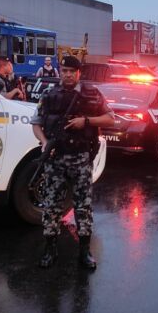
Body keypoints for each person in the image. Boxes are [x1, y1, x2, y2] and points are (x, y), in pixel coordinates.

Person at [31, 55, 115, 270]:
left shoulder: (92, 94)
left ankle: (85, 251)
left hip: (80, 159)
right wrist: (44, 143)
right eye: (65, 71)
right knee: (51, 206)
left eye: (72, 71)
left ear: (79, 73)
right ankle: (50, 249)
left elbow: (110, 119)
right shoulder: (49, 95)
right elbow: (36, 123)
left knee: (83, 207)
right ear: (60, 71)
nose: (68, 75)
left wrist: (85, 121)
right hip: (55, 159)